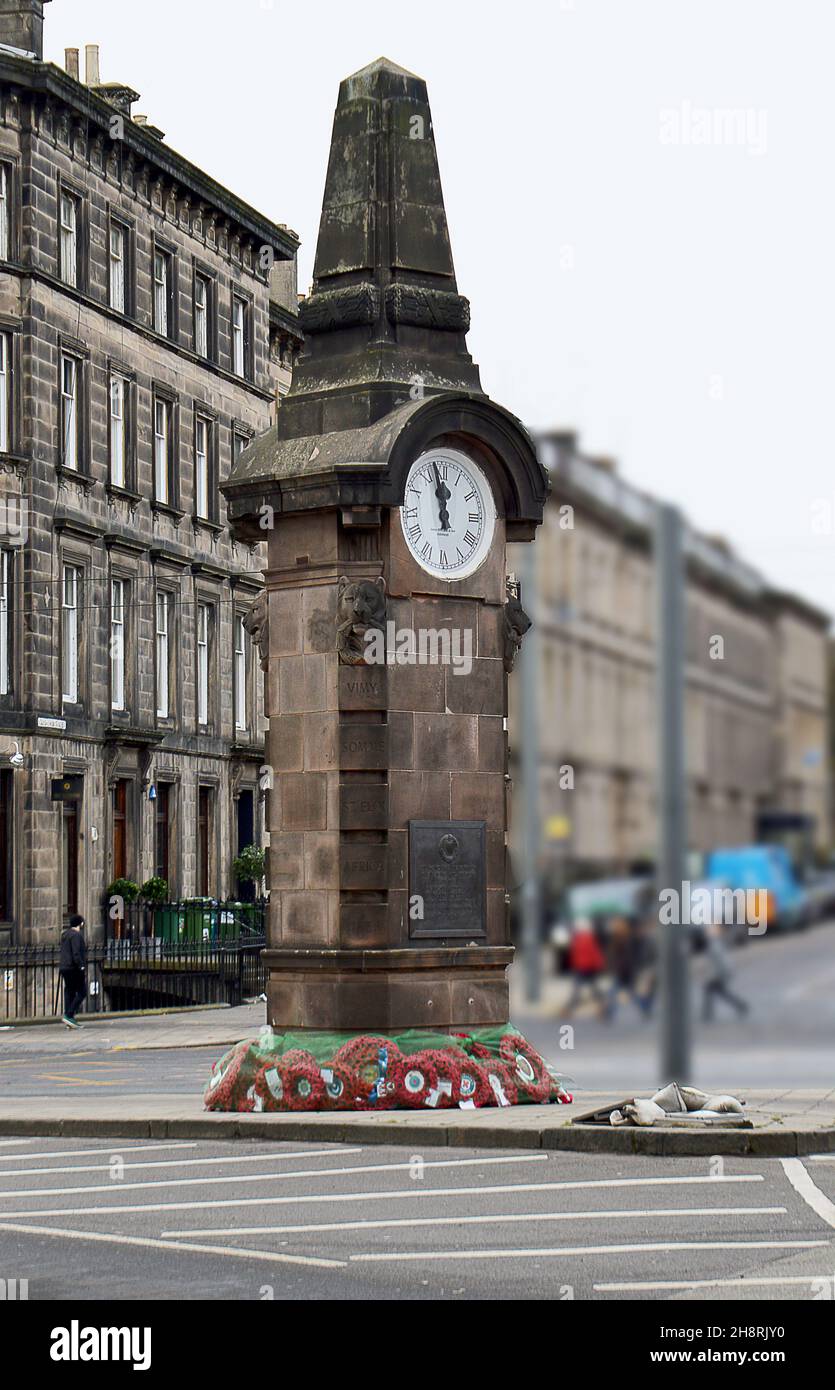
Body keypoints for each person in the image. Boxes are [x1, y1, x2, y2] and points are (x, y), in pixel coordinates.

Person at [701, 919, 749, 1022]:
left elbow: (722, 962)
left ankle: (707, 1015)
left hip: (723, 972)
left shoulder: (715, 944)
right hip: (723, 972)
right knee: (718, 992)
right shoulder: (714, 942)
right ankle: (740, 1006)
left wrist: (718, 975)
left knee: (712, 990)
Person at [564, 916, 607, 1017]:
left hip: (582, 967)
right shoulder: (588, 938)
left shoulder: (578, 939)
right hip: (590, 967)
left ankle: (569, 1009)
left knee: (577, 989)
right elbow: (595, 953)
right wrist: (600, 964)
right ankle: (603, 1005)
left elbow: (575, 954)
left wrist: (573, 964)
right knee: (593, 988)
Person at [59, 913, 87, 1029]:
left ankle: (69, 1018)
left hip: (64, 967)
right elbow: (76, 952)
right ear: (80, 924)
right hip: (73, 968)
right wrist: (81, 966)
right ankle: (69, 1014)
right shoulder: (76, 936)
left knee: (69, 992)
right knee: (82, 992)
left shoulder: (65, 934)